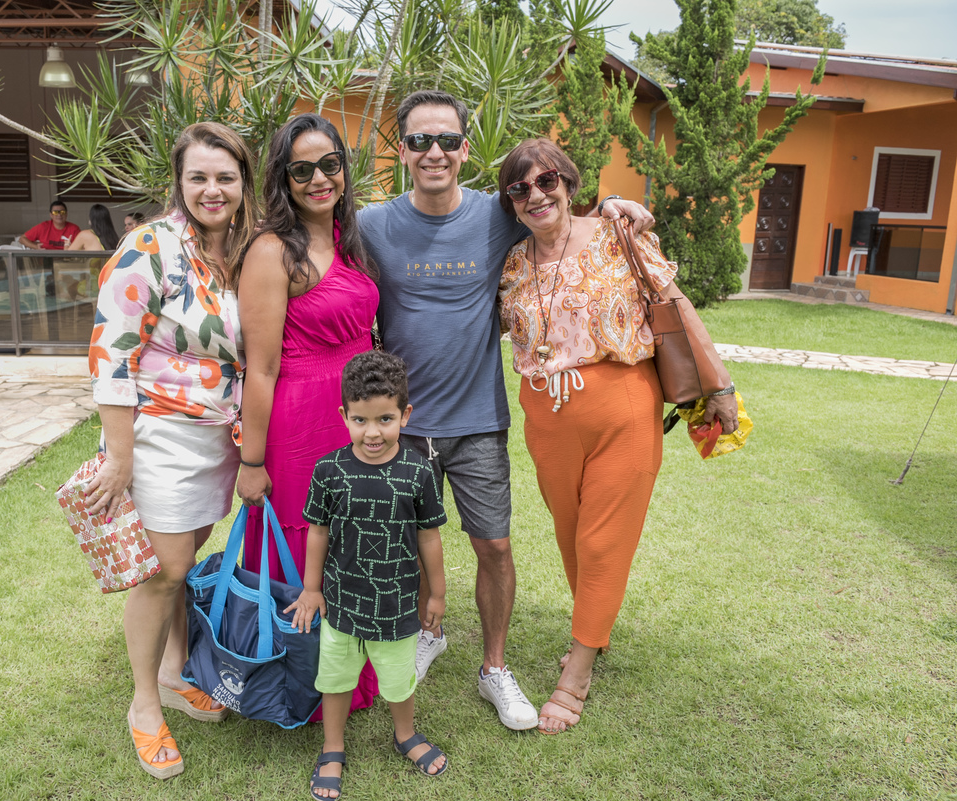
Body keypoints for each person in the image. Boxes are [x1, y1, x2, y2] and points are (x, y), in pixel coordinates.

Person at [357, 89, 655, 731]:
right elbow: (310, 242)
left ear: (465, 148)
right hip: (402, 424)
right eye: (419, 141)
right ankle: (426, 634)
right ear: (402, 150)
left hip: (478, 420)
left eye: (446, 140)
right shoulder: (372, 223)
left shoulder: (498, 214)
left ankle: (494, 666)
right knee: (406, 542)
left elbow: (558, 214)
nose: (433, 152)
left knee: (493, 544)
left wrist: (614, 208)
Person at [496, 139, 739, 733]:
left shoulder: (618, 234)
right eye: (520, 188)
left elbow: (675, 306)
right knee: (572, 537)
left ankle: (577, 672)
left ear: (569, 183)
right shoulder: (511, 262)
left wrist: (720, 386)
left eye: (547, 181)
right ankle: (594, 629)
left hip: (623, 410)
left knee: (603, 541)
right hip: (546, 419)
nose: (536, 195)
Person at [86, 121, 258, 779]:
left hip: (217, 437)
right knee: (166, 569)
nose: (213, 189)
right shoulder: (150, 245)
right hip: (157, 433)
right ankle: (144, 704)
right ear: (179, 182)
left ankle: (173, 667)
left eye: (225, 177)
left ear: (243, 183)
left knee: (182, 561)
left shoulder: (241, 249)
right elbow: (112, 352)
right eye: (199, 177)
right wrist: (120, 456)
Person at [235, 113, 381, 715]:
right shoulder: (271, 251)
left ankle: (353, 676)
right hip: (299, 425)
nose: (319, 179)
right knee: (305, 547)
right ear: (283, 179)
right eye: (302, 170)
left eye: (330, 165)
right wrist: (251, 462)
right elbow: (261, 369)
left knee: (353, 543)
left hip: (357, 420)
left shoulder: (352, 238)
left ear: (344, 169)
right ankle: (300, 684)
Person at [287, 351, 448, 801]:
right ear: (344, 415)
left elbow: (429, 537)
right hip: (341, 602)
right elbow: (318, 532)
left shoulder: (418, 471)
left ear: (405, 414)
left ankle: (405, 734)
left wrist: (436, 594)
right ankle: (332, 747)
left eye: (385, 419)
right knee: (336, 678)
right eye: (360, 420)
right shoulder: (329, 470)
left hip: (396, 605)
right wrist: (312, 588)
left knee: (398, 679)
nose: (372, 432)